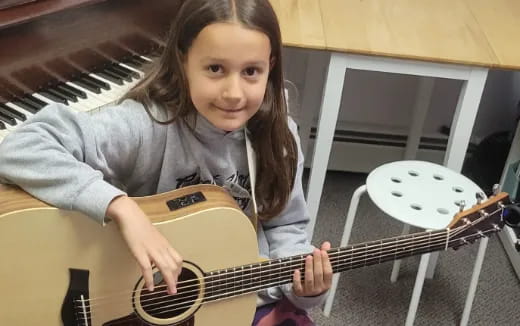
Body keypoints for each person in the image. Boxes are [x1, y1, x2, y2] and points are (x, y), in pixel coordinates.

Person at [0, 0, 332, 324]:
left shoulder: (278, 136)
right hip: (135, 300)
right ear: (183, 61)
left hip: (230, 293)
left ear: (270, 67)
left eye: (251, 72)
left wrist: (303, 287)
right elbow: (21, 146)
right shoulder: (146, 124)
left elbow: (285, 225)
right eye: (215, 69)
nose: (234, 92)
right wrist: (121, 207)